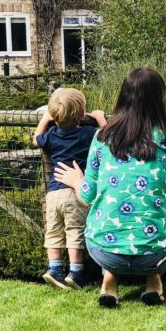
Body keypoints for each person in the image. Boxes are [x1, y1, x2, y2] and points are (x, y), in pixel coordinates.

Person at [53, 67, 166, 308]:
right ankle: (154, 279)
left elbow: (87, 196)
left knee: (106, 217)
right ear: (159, 98)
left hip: (104, 251)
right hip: (155, 255)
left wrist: (75, 181)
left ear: (123, 95)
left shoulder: (104, 137)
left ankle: (110, 278)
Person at [33, 88, 106, 290]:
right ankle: (75, 272)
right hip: (75, 191)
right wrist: (100, 119)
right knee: (74, 231)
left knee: (54, 230)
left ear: (54, 115)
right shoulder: (88, 133)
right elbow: (108, 137)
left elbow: (36, 138)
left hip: (53, 192)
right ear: (83, 115)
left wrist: (46, 119)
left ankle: (54, 269)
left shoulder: (52, 134)